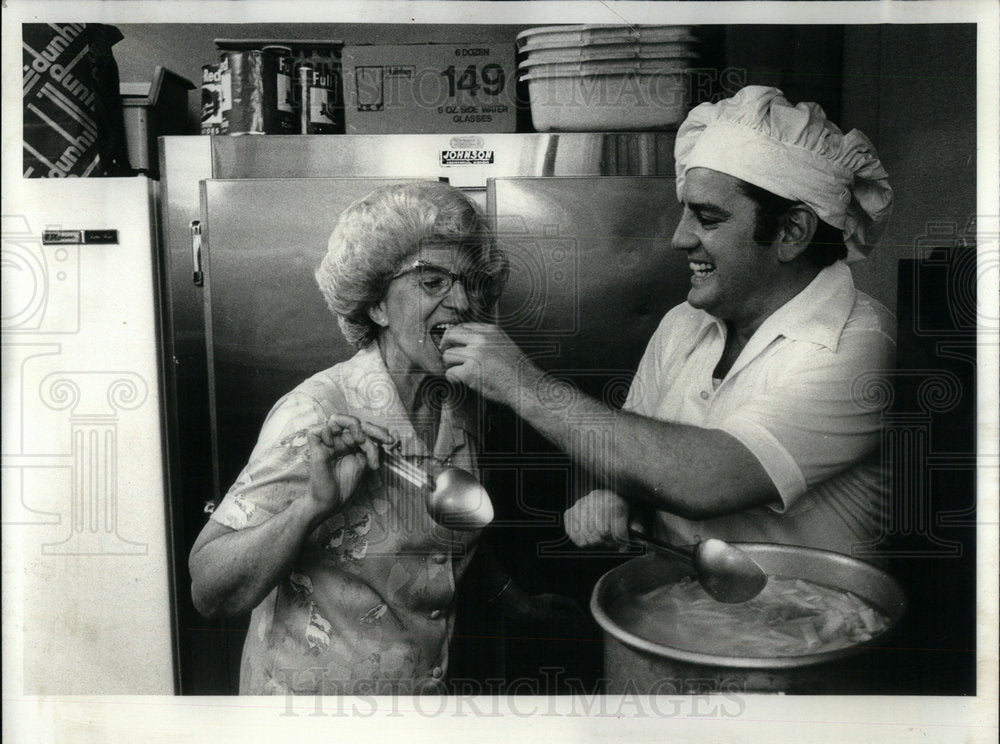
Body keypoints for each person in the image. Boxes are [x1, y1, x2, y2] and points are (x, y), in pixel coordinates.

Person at [441, 85, 895, 558]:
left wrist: (521, 383)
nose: (680, 238)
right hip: (673, 610)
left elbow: (703, 479)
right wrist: (616, 497)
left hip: (808, 622)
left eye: (708, 218)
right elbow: (634, 458)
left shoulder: (860, 346)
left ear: (791, 231)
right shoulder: (684, 323)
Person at [189, 181, 546, 696]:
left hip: (416, 711)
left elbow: (444, 538)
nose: (462, 301)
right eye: (433, 282)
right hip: (312, 728)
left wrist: (517, 601)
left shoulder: (461, 400)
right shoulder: (315, 414)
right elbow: (209, 587)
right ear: (377, 305)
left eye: (469, 283)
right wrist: (311, 506)